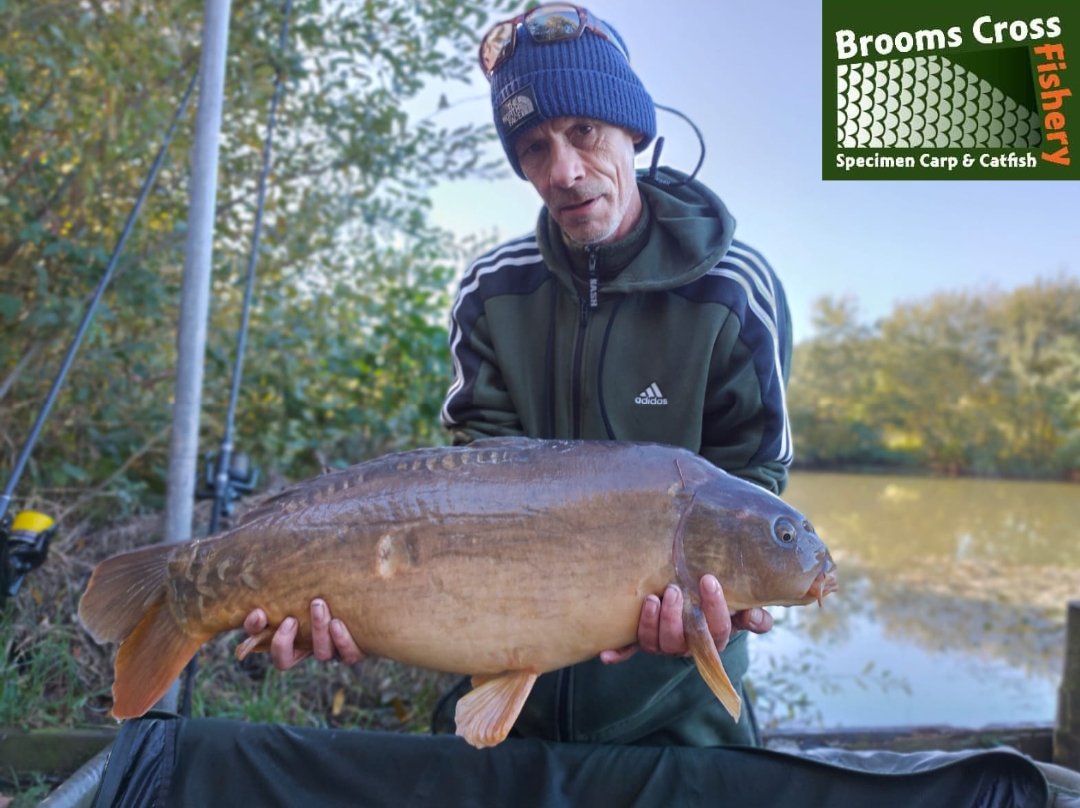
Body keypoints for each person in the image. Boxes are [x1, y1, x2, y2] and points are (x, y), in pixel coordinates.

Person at [243, 2, 791, 747]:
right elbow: (465, 496)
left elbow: (751, 490)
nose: (563, 172)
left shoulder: (734, 290)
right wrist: (353, 605)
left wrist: (724, 605)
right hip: (496, 670)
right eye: (534, 147)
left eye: (584, 131)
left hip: (676, 704)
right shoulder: (491, 291)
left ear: (633, 129)